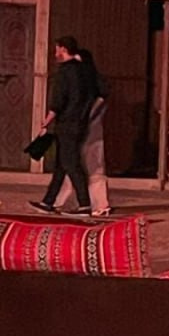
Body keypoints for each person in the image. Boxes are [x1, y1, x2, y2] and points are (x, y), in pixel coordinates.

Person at [30, 36, 96, 215]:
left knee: (72, 164)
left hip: (67, 123)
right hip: (81, 123)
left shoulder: (65, 72)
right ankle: (48, 202)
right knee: (61, 164)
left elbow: (59, 100)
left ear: (63, 49)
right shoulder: (84, 71)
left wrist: (47, 121)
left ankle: (84, 205)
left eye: (57, 49)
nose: (55, 53)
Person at [55, 49, 111, 217]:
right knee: (73, 164)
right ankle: (68, 201)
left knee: (93, 165)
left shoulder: (94, 82)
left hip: (91, 129)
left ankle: (100, 204)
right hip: (78, 129)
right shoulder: (79, 82)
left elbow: (98, 104)